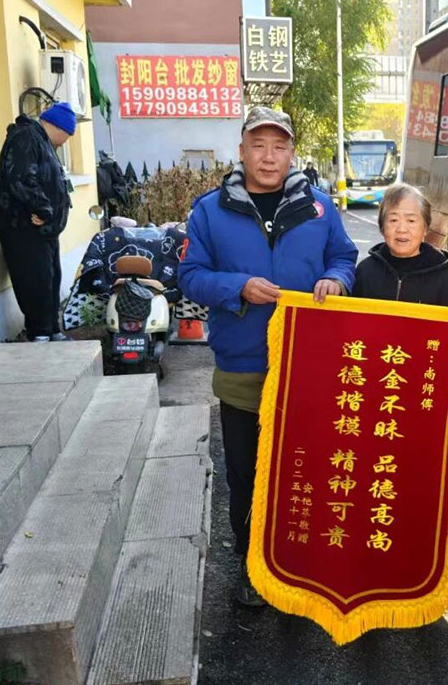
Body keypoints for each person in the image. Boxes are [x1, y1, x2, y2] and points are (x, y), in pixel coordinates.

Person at [177, 107, 358, 606]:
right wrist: (238, 287)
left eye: (279, 146)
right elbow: (190, 276)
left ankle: (301, 564)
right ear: (242, 151)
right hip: (243, 366)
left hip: (310, 367)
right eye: (259, 145)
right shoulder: (210, 211)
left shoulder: (319, 208)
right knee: (247, 471)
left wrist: (336, 279)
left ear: (292, 153)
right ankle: (251, 563)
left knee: (307, 470)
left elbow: (344, 257)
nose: (269, 156)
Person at [0, 102, 76, 341]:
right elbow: (20, 178)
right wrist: (44, 209)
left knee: (50, 278)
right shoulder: (26, 138)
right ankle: (40, 332)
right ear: (58, 126)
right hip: (24, 226)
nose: (66, 141)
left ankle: (51, 329)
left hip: (44, 229)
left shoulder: (41, 141)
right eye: (68, 134)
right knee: (34, 280)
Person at [352, 183, 448, 307]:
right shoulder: (365, 271)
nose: (402, 229)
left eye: (411, 221)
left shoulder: (442, 274)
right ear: (382, 227)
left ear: (425, 228)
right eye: (393, 220)